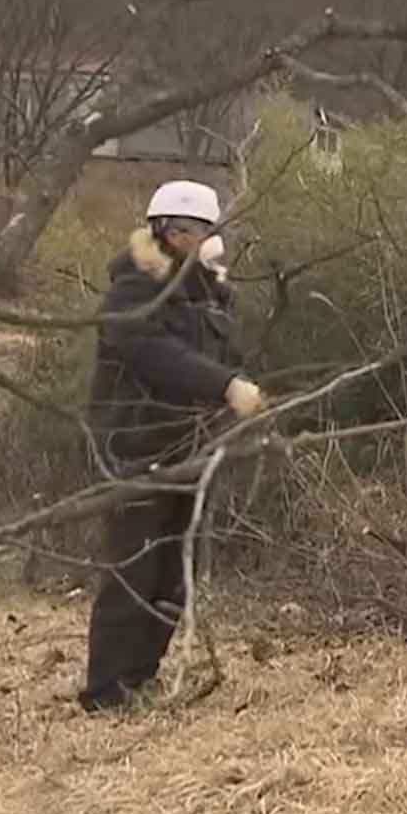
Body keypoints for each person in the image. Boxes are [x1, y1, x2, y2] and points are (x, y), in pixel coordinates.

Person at [78, 179, 267, 711]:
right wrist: (224, 386)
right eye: (184, 231)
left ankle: (141, 676)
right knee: (133, 568)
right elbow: (149, 350)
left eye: (202, 232)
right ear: (163, 230)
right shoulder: (137, 285)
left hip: (190, 449)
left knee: (172, 573)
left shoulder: (210, 293)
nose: (194, 241)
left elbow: (222, 356)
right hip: (135, 445)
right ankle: (106, 693)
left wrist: (238, 391)